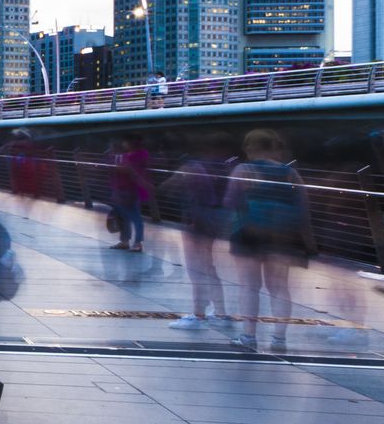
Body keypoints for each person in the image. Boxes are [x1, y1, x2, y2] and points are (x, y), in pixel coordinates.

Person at [227, 128, 313, 352]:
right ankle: (279, 339)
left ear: (249, 147)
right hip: (282, 235)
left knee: (249, 286)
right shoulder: (289, 173)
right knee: (279, 288)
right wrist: (308, 242)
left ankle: (249, 336)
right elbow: (303, 209)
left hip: (248, 233)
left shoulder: (242, 170)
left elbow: (230, 202)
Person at [161, 133, 235, 329]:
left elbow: (168, 186)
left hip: (196, 221)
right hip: (214, 218)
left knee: (196, 269)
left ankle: (198, 315)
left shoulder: (192, 166)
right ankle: (220, 313)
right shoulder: (223, 166)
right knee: (209, 267)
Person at [106, 135, 152, 253]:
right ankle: (125, 241)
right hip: (121, 188)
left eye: (125, 141)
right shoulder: (126, 155)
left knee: (134, 216)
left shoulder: (139, 154)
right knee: (123, 216)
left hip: (131, 189)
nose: (123, 144)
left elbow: (130, 170)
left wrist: (120, 167)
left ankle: (137, 243)